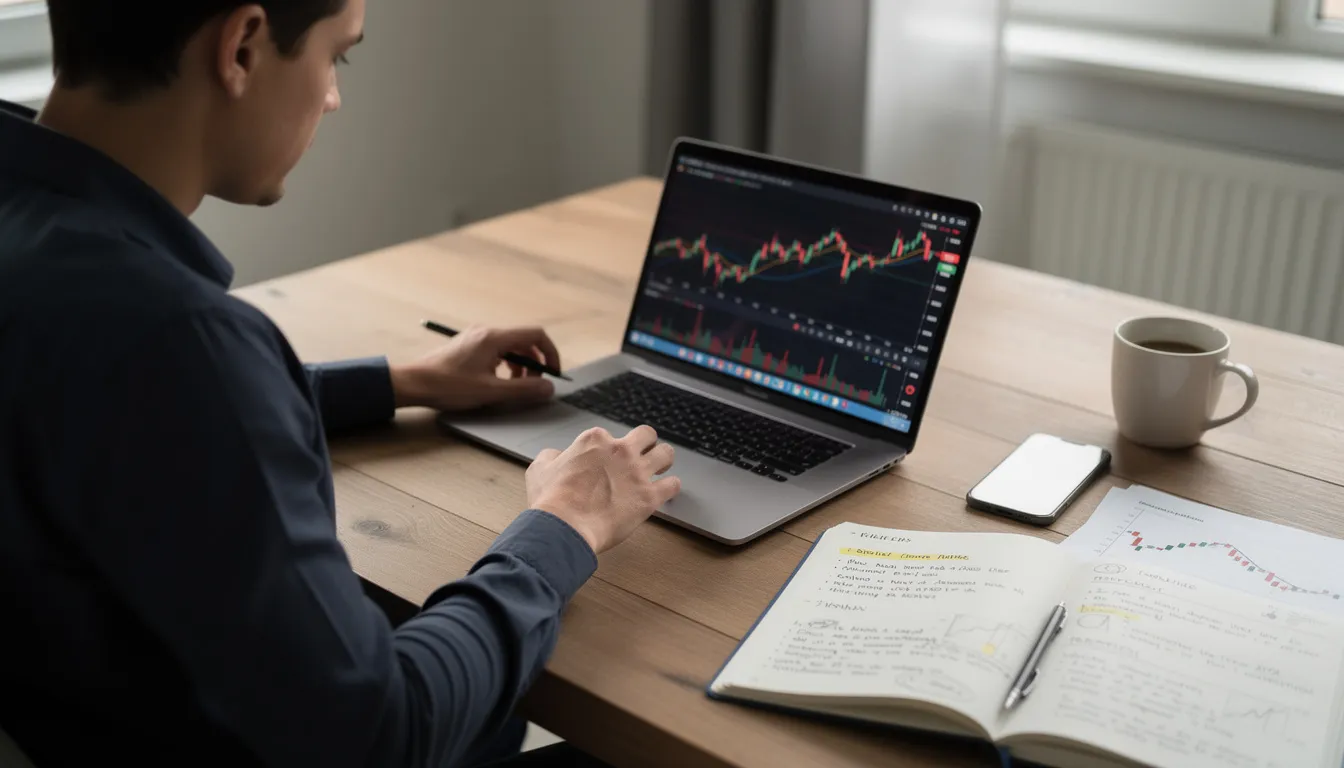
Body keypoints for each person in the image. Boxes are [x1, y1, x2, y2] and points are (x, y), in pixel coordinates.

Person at [0, 1, 681, 766]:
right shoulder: (174, 340)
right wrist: (564, 526)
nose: (331, 96)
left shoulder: (43, 247)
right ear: (243, 47)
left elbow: (126, 408)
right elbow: (383, 734)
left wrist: (405, 380)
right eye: (337, 57)